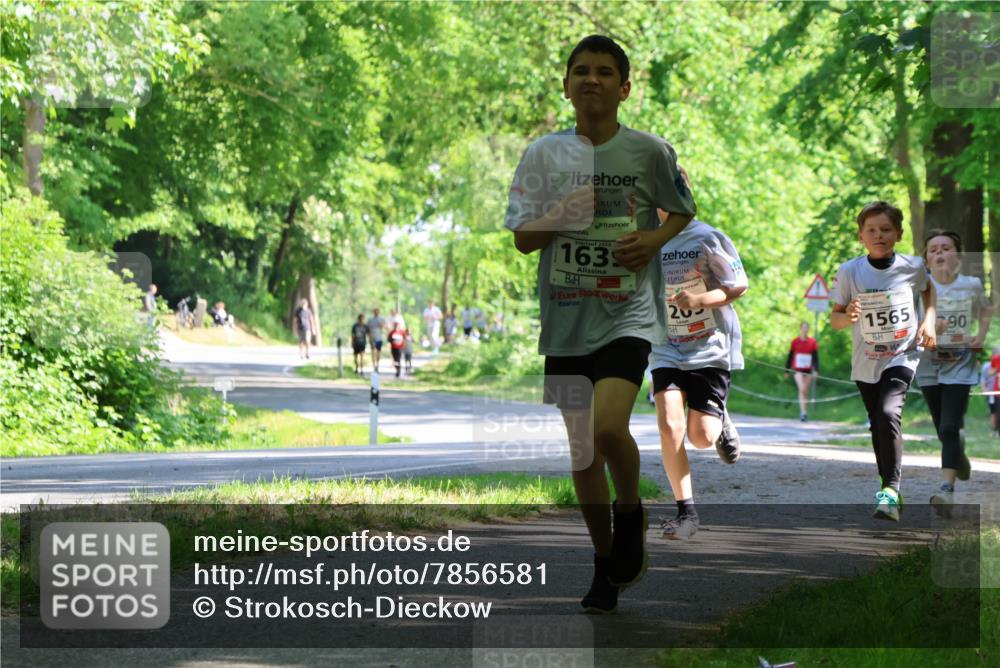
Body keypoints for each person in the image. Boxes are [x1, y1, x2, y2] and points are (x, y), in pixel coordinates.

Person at [506, 35, 696, 613]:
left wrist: (654, 240)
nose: (592, 79)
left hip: (627, 314)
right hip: (565, 318)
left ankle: (631, 512)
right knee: (583, 452)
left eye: (605, 72)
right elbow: (521, 239)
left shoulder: (649, 152)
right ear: (565, 85)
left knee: (609, 428)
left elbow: (683, 209)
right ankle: (603, 563)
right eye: (581, 71)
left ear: (624, 88)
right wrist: (560, 215)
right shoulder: (542, 155)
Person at [830, 201, 936, 522]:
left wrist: (928, 320)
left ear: (899, 234)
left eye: (886, 230)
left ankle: (890, 489)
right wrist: (847, 315)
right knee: (878, 422)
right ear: (861, 235)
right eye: (872, 230)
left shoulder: (912, 266)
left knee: (889, 411)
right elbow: (834, 319)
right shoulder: (850, 271)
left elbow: (929, 290)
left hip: (902, 354)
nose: (879, 235)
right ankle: (888, 487)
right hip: (866, 360)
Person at [650, 213, 748, 540]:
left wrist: (699, 300)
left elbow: (738, 284)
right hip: (665, 347)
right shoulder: (644, 237)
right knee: (669, 425)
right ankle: (686, 513)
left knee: (702, 437)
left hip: (708, 345)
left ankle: (718, 416)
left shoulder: (707, 236)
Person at [916, 230, 990, 512]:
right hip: (928, 365)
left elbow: (985, 311)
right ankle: (958, 455)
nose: (939, 253)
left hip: (960, 363)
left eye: (945, 248)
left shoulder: (971, 285)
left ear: (957, 256)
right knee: (943, 429)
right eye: (933, 250)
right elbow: (907, 324)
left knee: (949, 426)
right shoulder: (918, 287)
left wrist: (980, 337)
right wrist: (929, 328)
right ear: (926, 258)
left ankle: (946, 491)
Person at [784, 322, 820, 421]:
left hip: (808, 370)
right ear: (800, 328)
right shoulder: (795, 342)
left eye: (807, 328)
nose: (805, 329)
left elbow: (815, 357)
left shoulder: (812, 342)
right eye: (804, 328)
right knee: (802, 389)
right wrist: (786, 370)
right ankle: (803, 412)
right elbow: (790, 356)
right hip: (798, 370)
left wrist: (816, 370)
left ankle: (804, 412)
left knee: (805, 391)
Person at [367, 308, 386, 372]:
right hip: (372, 338)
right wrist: (369, 338)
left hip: (379, 338)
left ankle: (377, 364)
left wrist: (382, 325)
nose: (376, 312)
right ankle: (374, 365)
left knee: (378, 352)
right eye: (375, 311)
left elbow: (385, 327)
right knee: (373, 352)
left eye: (377, 311)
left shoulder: (382, 319)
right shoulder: (370, 320)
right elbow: (368, 330)